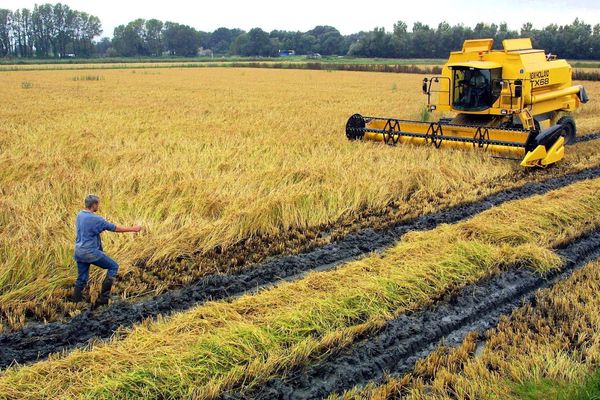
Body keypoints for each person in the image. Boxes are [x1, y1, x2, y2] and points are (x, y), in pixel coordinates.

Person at [72, 194, 142, 307]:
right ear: (94, 204)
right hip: (90, 252)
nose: (98, 205)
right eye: (97, 203)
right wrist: (133, 229)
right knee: (113, 266)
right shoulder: (96, 219)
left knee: (81, 278)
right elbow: (115, 228)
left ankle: (75, 303)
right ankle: (104, 298)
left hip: (79, 251)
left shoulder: (80, 215)